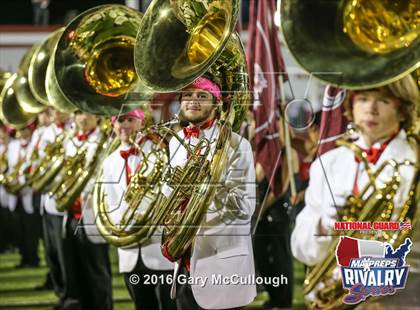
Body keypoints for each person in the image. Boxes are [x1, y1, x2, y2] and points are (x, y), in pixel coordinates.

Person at [291, 74, 418, 266]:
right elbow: (301, 247)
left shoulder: (414, 162)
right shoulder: (327, 163)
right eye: (363, 99)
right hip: (337, 287)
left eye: (384, 101)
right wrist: (323, 226)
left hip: (400, 288)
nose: (371, 109)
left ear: (402, 111)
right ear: (351, 106)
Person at [162, 76, 257, 309]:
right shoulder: (175, 142)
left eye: (202, 96)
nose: (193, 101)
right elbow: (169, 194)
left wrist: (208, 184)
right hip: (183, 259)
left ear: (216, 104)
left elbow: (245, 208)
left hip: (222, 262)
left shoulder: (237, 145)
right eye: (187, 95)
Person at [101, 109, 176, 310]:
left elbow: (167, 192)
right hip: (129, 250)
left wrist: (143, 216)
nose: (125, 125)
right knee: (142, 305)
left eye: (131, 120)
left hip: (159, 248)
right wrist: (125, 224)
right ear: (112, 125)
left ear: (142, 123)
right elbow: (110, 202)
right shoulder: (109, 162)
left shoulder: (160, 152)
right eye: (120, 120)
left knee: (168, 305)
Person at [60, 111, 113, 310]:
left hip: (92, 215)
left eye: (87, 113)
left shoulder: (104, 141)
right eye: (78, 113)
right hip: (71, 217)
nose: (82, 118)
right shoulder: (70, 141)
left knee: (97, 274)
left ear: (98, 116)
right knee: (77, 273)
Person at [38, 109, 73, 306]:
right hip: (47, 201)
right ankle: (61, 293)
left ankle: (70, 295)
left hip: (62, 201)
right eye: (53, 109)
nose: (56, 112)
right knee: (51, 253)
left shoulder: (71, 131)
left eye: (60, 108)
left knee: (64, 255)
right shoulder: (46, 131)